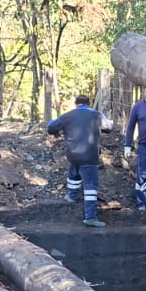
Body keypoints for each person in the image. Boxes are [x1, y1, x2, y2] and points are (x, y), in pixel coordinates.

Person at [46, 95, 107, 227]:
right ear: (89, 103)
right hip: (90, 155)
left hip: (73, 154)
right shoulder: (97, 114)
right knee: (90, 185)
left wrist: (54, 125)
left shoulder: (67, 115)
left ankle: (72, 196)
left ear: (76, 104)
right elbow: (109, 127)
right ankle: (90, 217)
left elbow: (50, 127)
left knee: (74, 171)